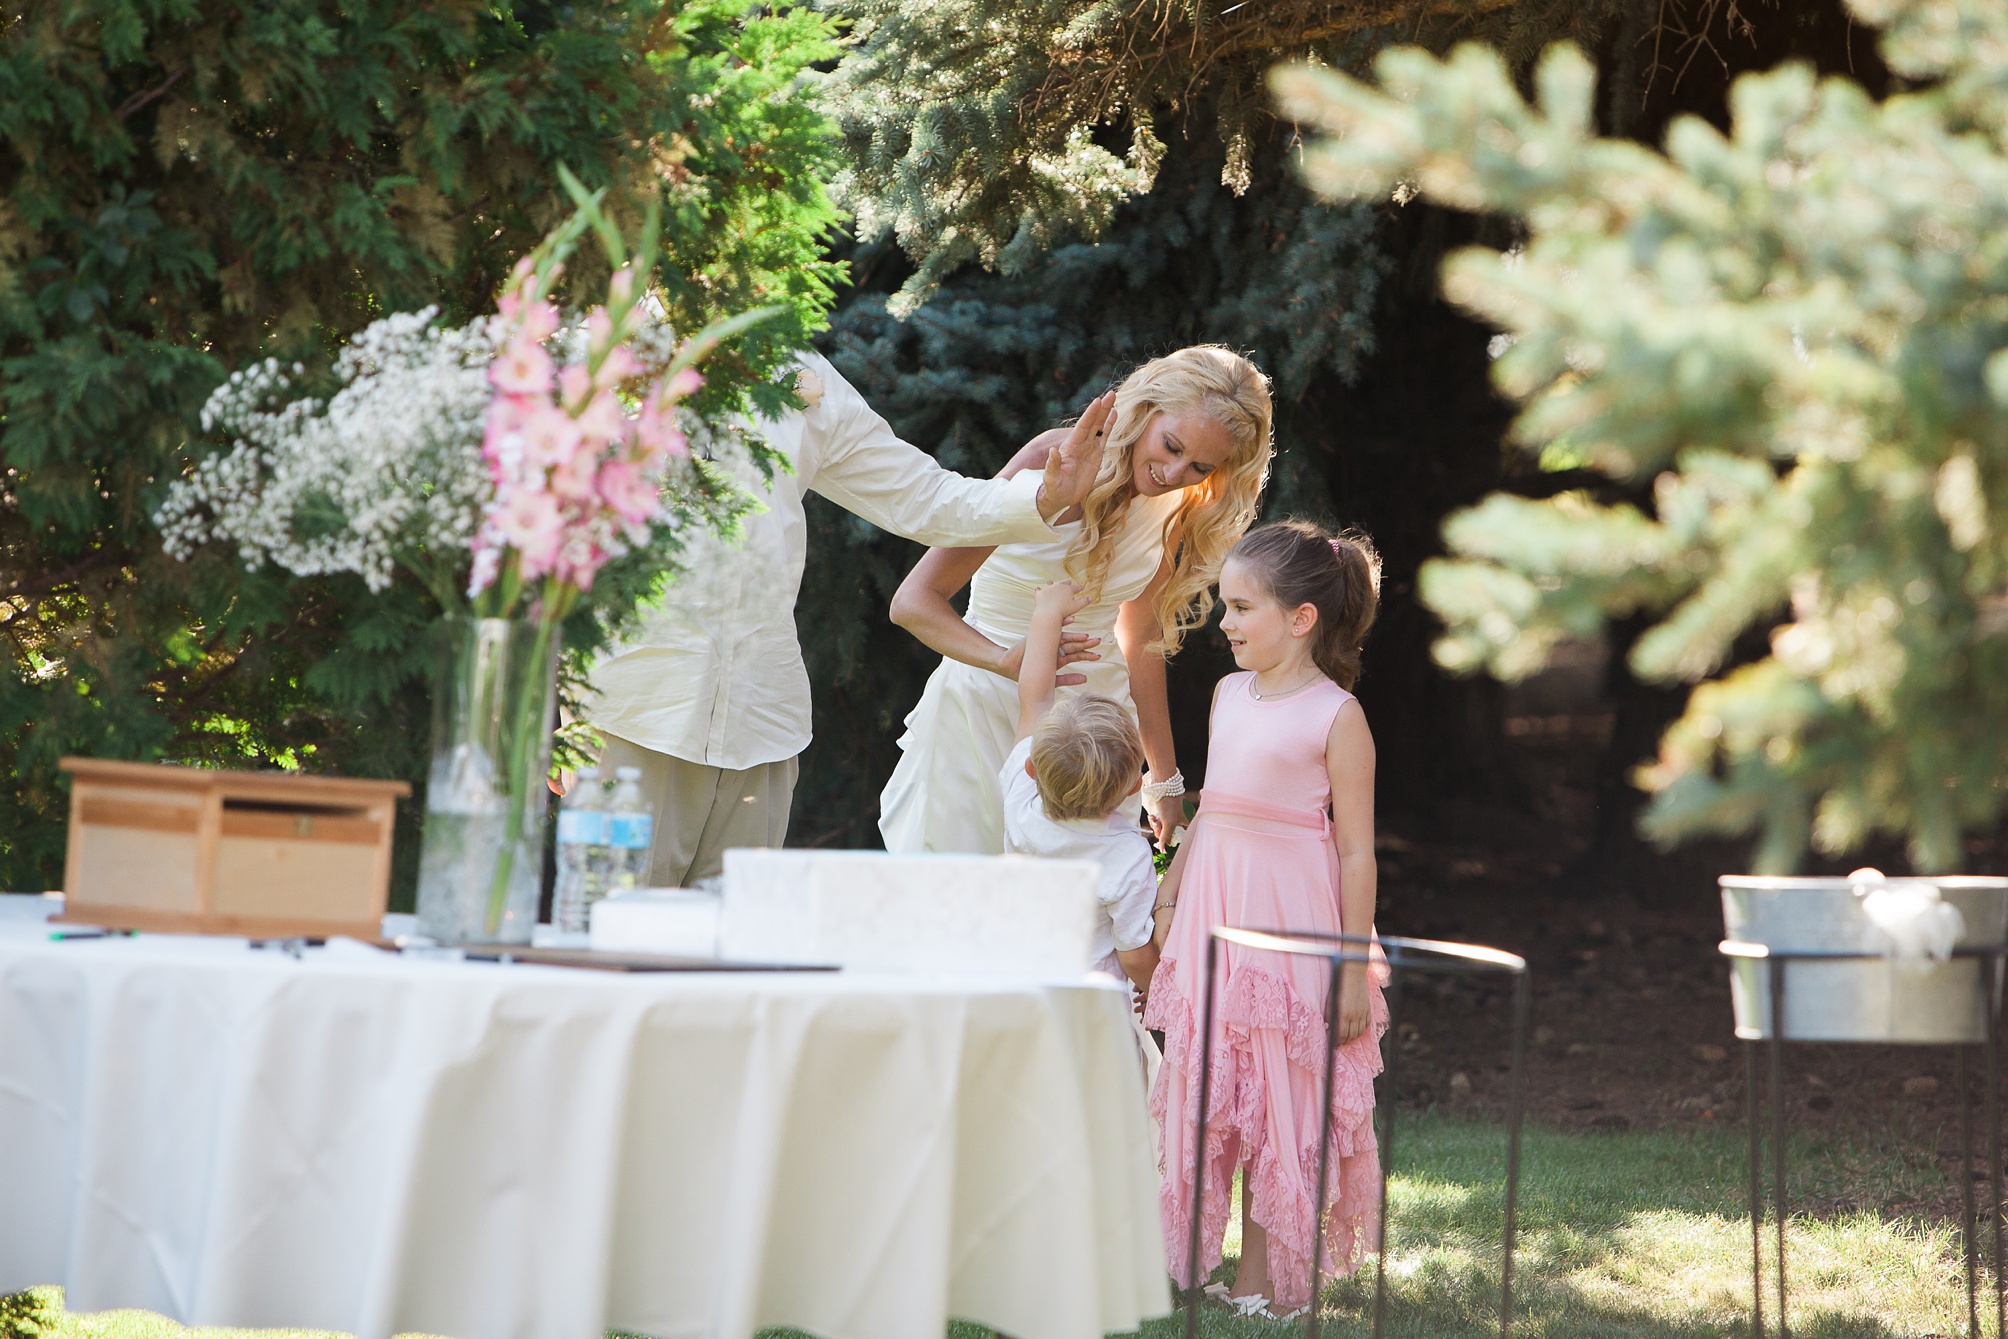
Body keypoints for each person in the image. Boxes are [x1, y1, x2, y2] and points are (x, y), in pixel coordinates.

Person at [584, 352, 1115, 888]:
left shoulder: (798, 368)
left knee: (731, 951)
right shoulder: (607, 347)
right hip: (636, 714)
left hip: (761, 725)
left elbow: (922, 497)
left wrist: (1046, 496)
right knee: (610, 942)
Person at [880, 346, 1273, 855]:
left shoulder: (1178, 504)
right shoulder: (1051, 461)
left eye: (1199, 465)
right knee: (961, 905)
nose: (1174, 474)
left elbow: (1140, 639)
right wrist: (1007, 662)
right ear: (1146, 409)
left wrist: (1163, 776)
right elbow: (914, 601)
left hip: (1095, 736)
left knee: (1079, 916)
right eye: (1171, 446)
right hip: (981, 712)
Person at [1142, 519, 1388, 1322]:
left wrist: (1353, 963)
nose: (1227, 623)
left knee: (1274, 1092)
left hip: (1290, 922)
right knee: (1213, 1083)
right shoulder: (1225, 695)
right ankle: (1190, 1252)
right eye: (1227, 606)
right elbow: (1212, 807)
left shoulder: (1336, 716)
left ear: (1301, 618)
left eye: (1243, 608)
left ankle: (1262, 1270)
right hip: (1213, 906)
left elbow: (1356, 852)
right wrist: (1171, 892)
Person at [1000, 579, 1159, 1002]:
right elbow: (1134, 953)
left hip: (1019, 986)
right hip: (1089, 1009)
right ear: (1133, 788)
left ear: (1033, 767)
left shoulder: (1021, 801)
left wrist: (1046, 614)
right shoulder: (1127, 856)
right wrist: (1158, 989)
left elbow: (1034, 698)